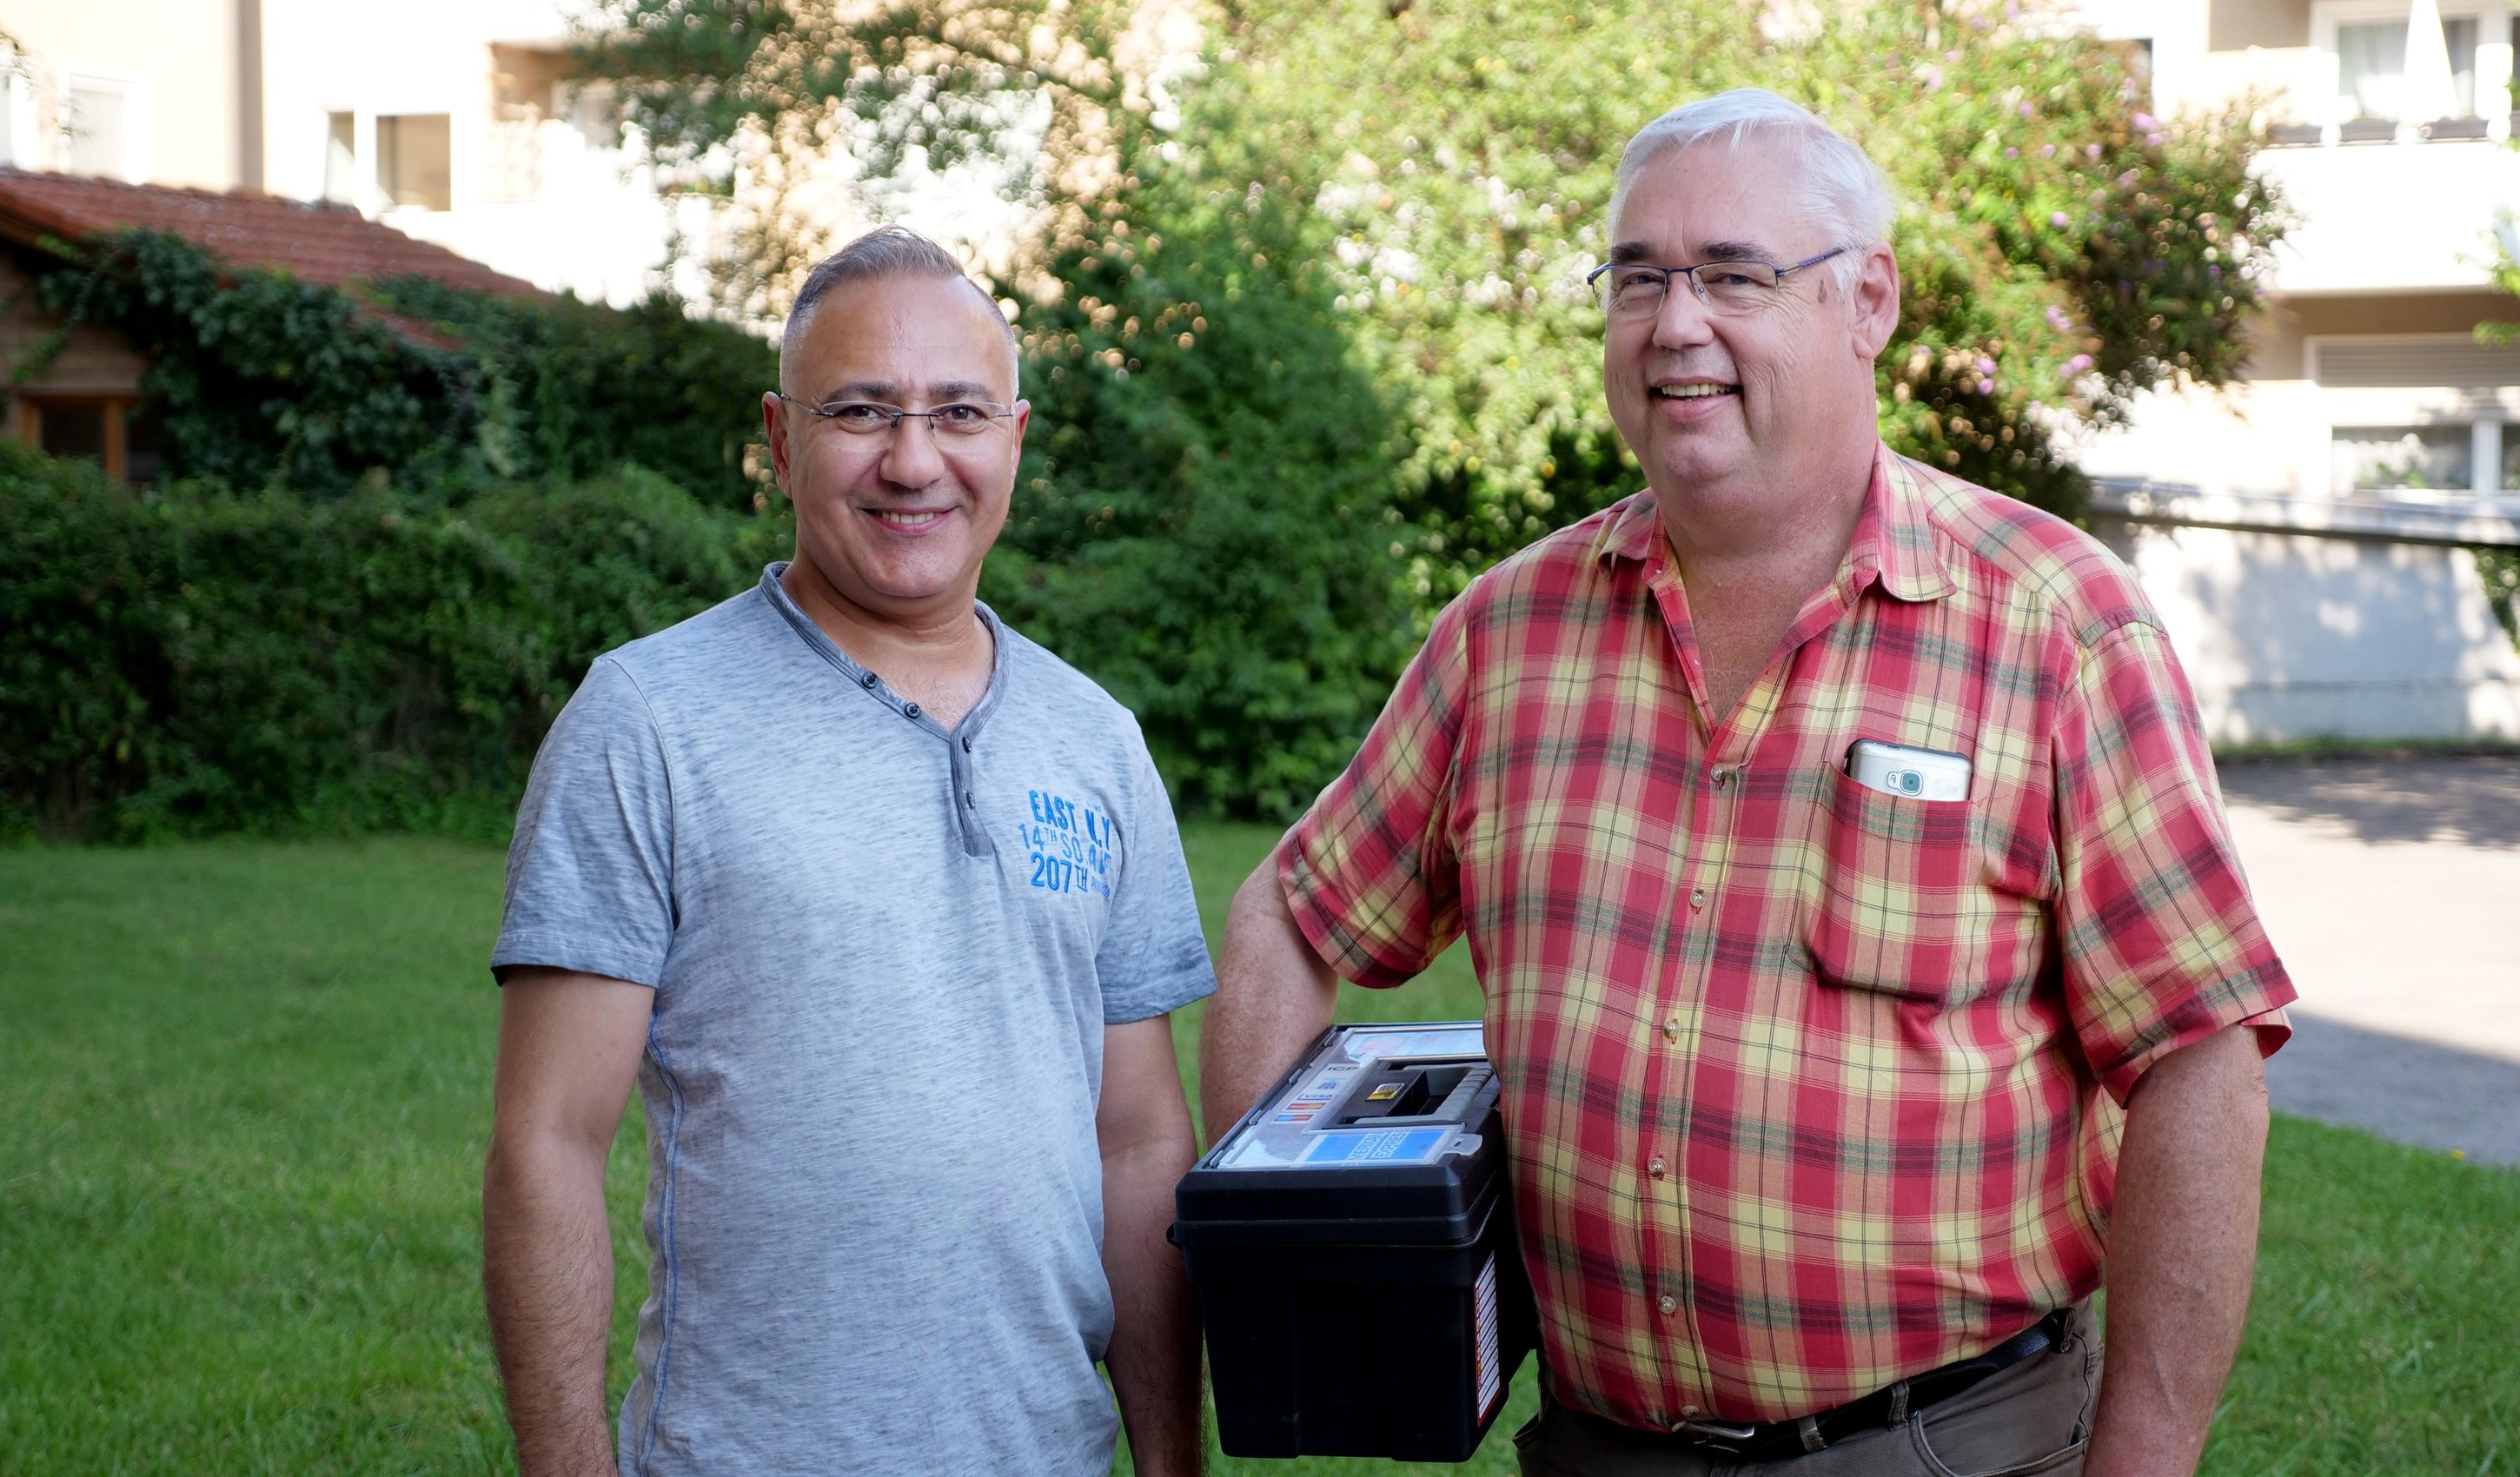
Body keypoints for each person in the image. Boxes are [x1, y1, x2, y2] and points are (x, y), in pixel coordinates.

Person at [1203, 90, 2292, 1477]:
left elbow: (2198, 1056)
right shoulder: (1506, 633)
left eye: (1733, 274)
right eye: (1638, 278)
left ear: (1869, 303)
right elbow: (1294, 919)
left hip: (1944, 1447)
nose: (1675, 324)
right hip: (1600, 1448)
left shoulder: (2057, 626)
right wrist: (1281, 1258)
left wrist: (2143, 1460)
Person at [481, 226, 1211, 1477]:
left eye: (959, 413)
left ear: (1016, 440)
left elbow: (1139, 1143)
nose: (914, 459)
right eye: (862, 411)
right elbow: (546, 1142)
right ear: (779, 440)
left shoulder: (1096, 741)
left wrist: (1170, 1461)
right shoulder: (650, 721)